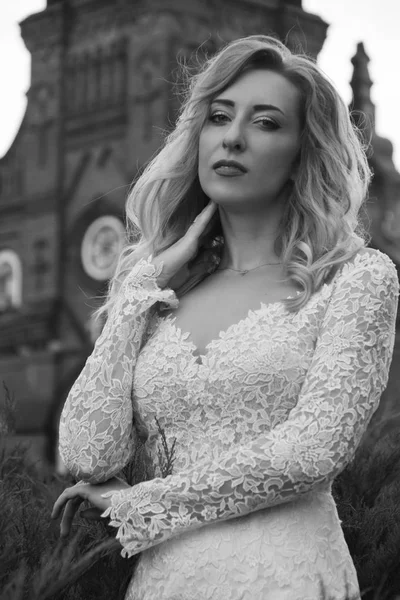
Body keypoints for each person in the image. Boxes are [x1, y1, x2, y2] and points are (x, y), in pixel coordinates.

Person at [51, 35, 399, 600]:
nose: (233, 137)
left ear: (302, 152)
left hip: (283, 578)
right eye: (219, 116)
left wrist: (141, 505)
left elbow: (314, 451)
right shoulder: (162, 294)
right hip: (164, 583)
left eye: (265, 123)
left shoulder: (357, 278)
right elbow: (89, 454)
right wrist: (138, 293)